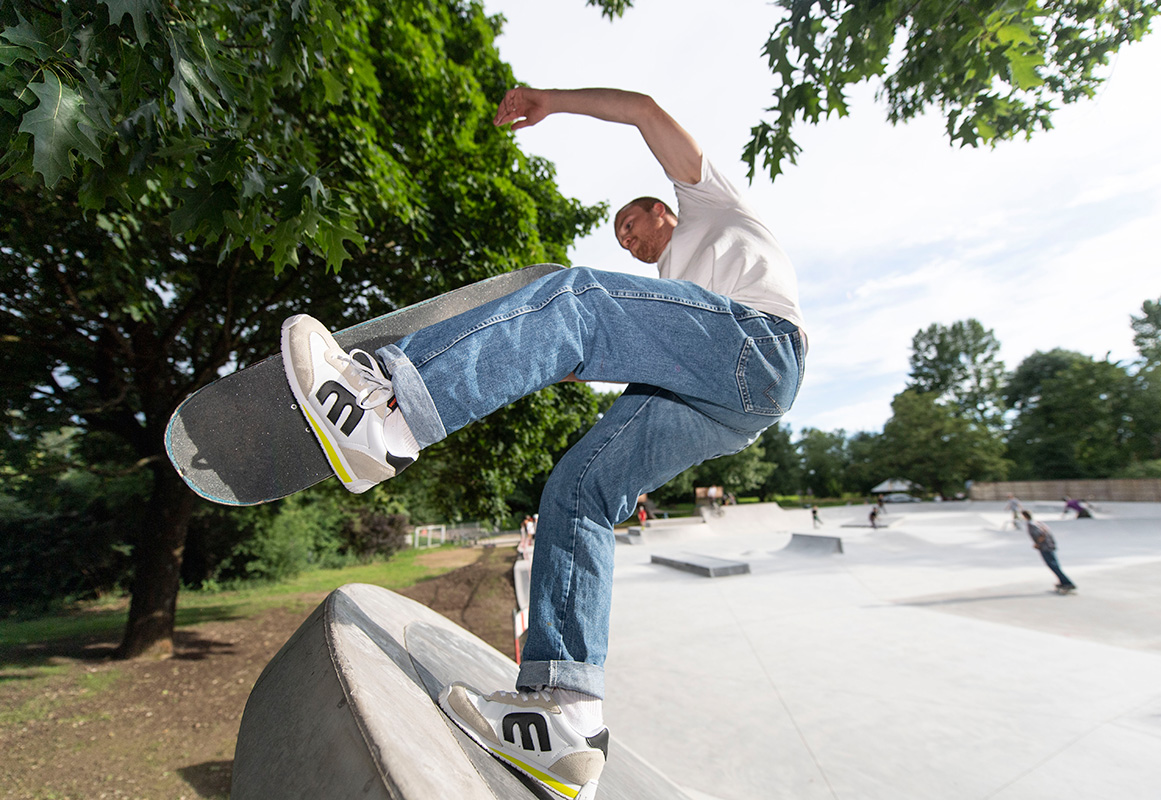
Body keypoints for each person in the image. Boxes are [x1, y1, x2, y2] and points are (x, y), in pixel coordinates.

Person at [279, 86, 806, 800]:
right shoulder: (670, 291)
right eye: (620, 237)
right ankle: (563, 716)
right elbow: (630, 341)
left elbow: (646, 112)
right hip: (721, 399)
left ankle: (385, 414)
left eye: (633, 226)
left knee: (579, 295)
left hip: (759, 345)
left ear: (663, 209)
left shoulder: (713, 205)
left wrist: (551, 100)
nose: (629, 240)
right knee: (581, 488)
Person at [1022, 510, 1076, 592]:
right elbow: (1046, 531)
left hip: (1045, 547)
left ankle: (1067, 583)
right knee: (1054, 565)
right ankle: (1063, 581)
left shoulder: (1031, 525)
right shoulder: (1038, 522)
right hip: (1050, 545)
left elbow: (1041, 535)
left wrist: (1037, 543)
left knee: (1053, 565)